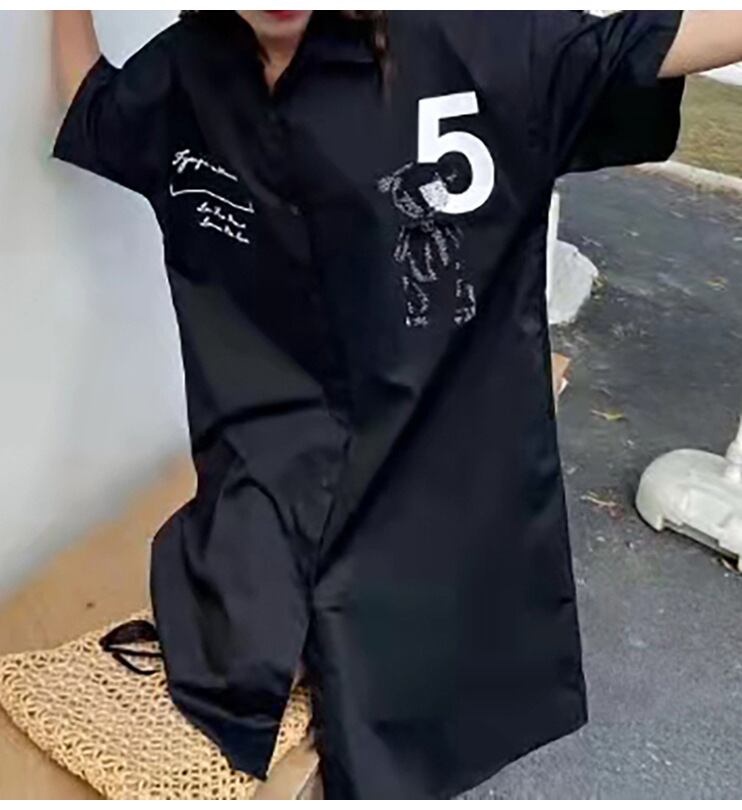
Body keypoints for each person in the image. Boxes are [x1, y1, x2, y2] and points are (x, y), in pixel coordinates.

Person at [51, 10, 742, 800]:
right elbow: (94, 104)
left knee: (406, 730)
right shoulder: (187, 74)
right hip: (261, 499)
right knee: (245, 662)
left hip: (431, 486)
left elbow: (640, 46)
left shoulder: (463, 43)